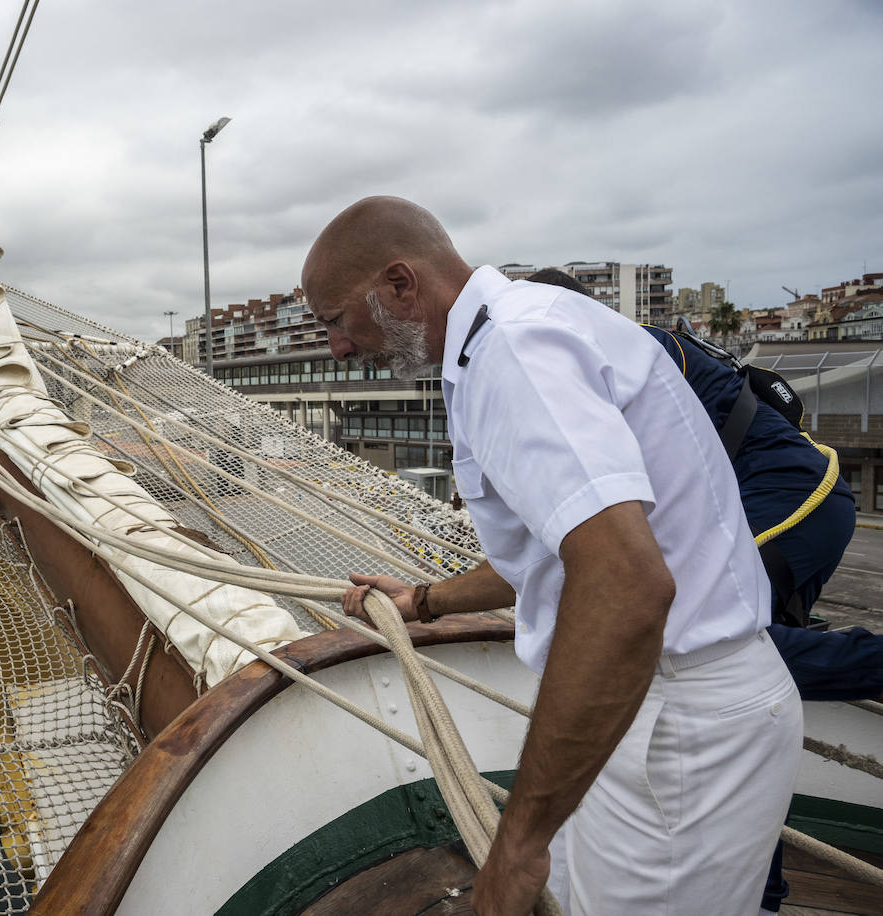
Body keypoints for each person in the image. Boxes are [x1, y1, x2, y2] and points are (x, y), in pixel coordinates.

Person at [305, 197, 802, 915]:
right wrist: (424, 600)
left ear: (399, 285)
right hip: (639, 711)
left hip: (675, 730)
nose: (337, 349)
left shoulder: (516, 353)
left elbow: (627, 586)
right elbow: (546, 560)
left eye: (333, 320)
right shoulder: (500, 342)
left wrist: (517, 843)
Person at [525, 266, 883, 914]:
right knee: (741, 664)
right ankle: (765, 891)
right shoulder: (623, 352)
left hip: (796, 496)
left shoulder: (624, 354)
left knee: (722, 644)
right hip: (774, 502)